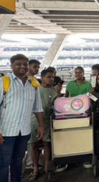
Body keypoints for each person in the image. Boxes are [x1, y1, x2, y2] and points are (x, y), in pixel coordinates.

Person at [0, 54, 44, 182]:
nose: (22, 67)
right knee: (3, 163)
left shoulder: (33, 85)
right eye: (18, 64)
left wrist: (41, 126)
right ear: (11, 65)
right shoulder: (4, 82)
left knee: (18, 161)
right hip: (6, 132)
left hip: (24, 131)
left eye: (25, 64)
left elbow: (38, 108)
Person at [28, 69, 61, 181]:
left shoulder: (54, 91)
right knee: (34, 145)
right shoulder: (35, 89)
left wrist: (59, 94)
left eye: (53, 77)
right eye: (49, 77)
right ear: (42, 78)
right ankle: (36, 168)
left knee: (47, 144)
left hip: (47, 121)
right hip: (33, 121)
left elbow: (57, 106)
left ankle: (47, 168)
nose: (51, 79)